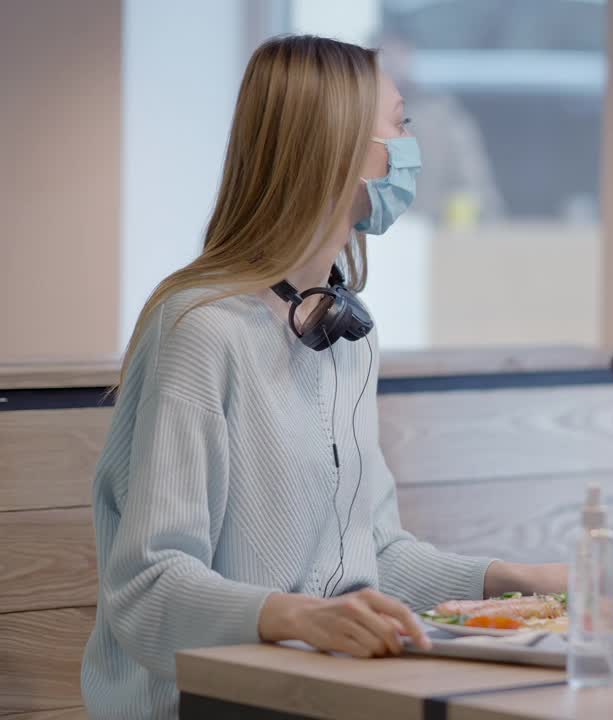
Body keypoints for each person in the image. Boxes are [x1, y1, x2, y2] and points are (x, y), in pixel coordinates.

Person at [81, 36, 563, 718]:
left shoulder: (344, 333)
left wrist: (517, 581)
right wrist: (294, 616)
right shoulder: (201, 330)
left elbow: (375, 556)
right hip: (199, 704)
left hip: (312, 694)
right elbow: (149, 586)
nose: (411, 144)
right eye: (400, 123)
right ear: (340, 149)